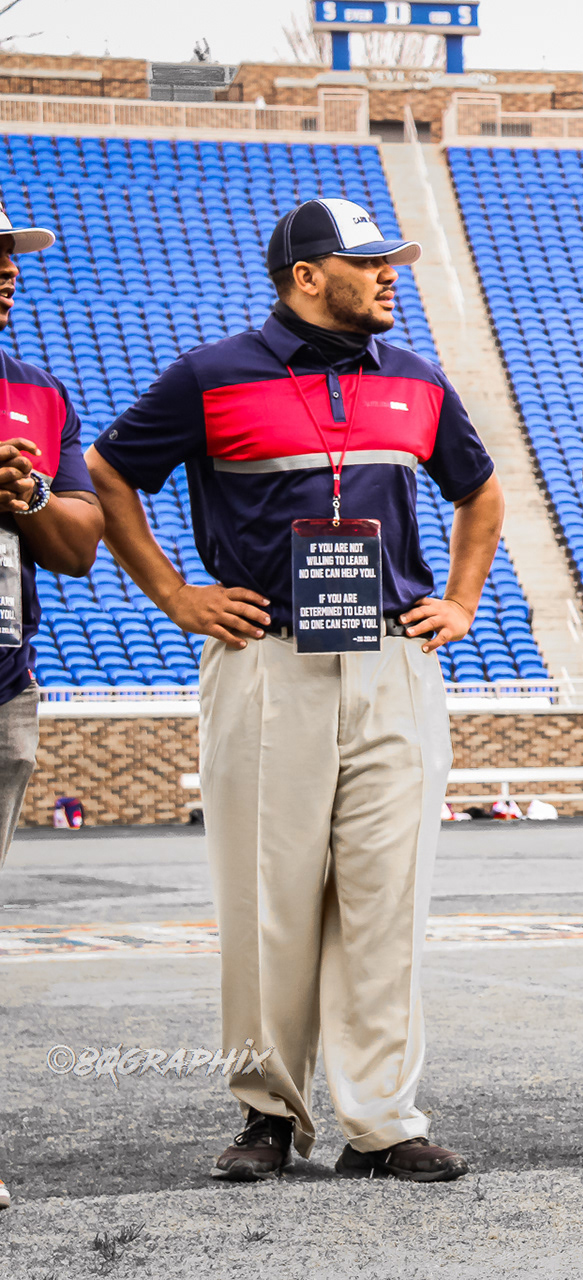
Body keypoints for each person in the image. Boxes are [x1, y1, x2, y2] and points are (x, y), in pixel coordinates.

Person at [87, 198, 503, 1183]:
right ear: (307, 276)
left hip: (392, 660)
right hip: (267, 657)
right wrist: (174, 593)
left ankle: (382, 1120)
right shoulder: (211, 374)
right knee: (265, 900)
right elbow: (107, 470)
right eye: (369, 261)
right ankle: (267, 1112)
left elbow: (480, 491)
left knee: (386, 898)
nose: (390, 274)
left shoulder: (417, 378)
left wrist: (461, 599)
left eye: (392, 259)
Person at [0, 198, 107, 1211]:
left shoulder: (37, 393)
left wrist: (27, 497)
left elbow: (79, 544)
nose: (7, 270)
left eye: (10, 254)